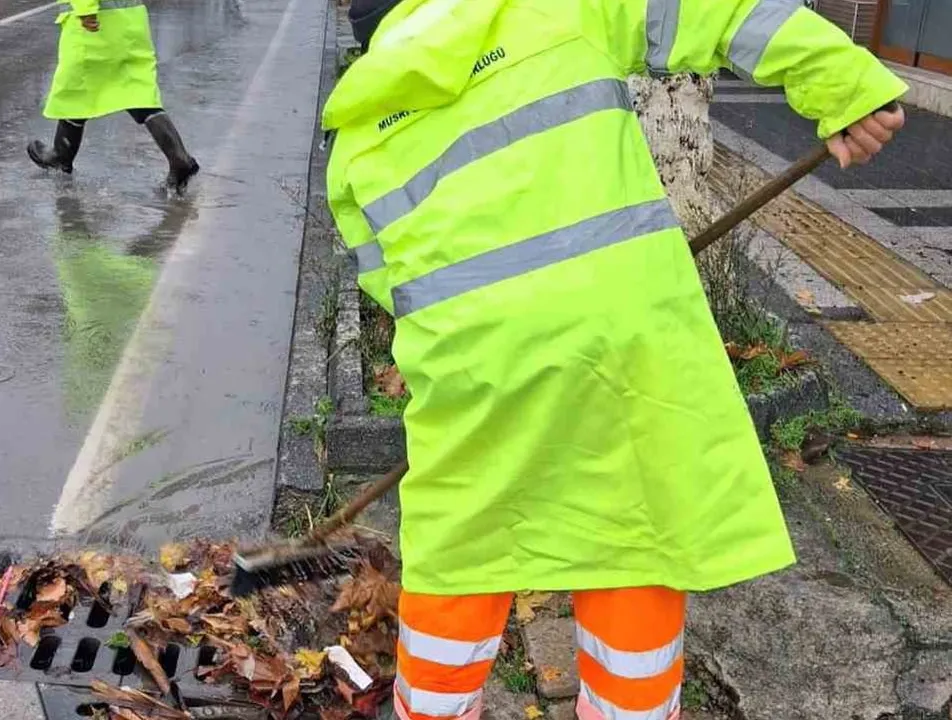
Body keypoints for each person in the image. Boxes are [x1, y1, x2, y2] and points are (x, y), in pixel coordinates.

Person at [322, 0, 906, 718]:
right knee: (633, 537)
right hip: (624, 342)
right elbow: (726, 11)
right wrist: (844, 86)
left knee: (464, 552)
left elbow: (391, 282)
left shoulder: (353, 140)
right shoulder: (550, 12)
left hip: (475, 370)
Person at [28, 0, 200, 193]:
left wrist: (86, 9)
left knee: (75, 88)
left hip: (97, 25)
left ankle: (61, 156)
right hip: (131, 20)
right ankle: (178, 157)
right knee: (138, 91)